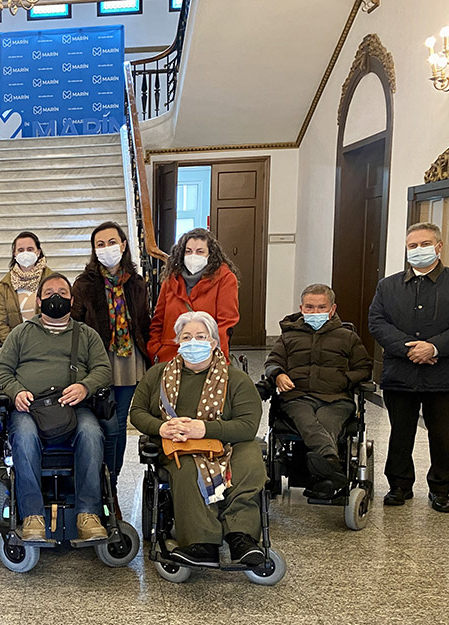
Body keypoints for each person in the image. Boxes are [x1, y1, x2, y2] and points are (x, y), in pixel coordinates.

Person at [130, 311, 266, 568]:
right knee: (189, 466)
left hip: (226, 442)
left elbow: (248, 425)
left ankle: (242, 538)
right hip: (178, 445)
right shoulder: (158, 374)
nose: (193, 342)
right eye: (187, 337)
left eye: (201, 337)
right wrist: (162, 427)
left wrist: (204, 429)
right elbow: (137, 412)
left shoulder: (236, 379)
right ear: (178, 342)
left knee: (249, 459)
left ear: (214, 342)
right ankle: (202, 543)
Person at [369, 222, 449, 513]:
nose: (418, 250)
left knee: (442, 435)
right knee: (400, 432)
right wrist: (410, 349)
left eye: (424, 244)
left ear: (439, 246)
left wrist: (433, 347)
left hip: (443, 374)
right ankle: (399, 485)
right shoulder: (388, 286)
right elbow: (377, 322)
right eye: (412, 246)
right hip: (400, 372)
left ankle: (440, 489)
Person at [0, 273, 111, 543]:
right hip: (30, 407)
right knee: (23, 436)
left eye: (62, 293)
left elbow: (103, 370)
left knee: (92, 433)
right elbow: (1, 370)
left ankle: (88, 515)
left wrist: (85, 387)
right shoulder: (21, 333)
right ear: (38, 301)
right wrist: (15, 391)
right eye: (49, 293)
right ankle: (32, 516)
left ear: (72, 300)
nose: (55, 297)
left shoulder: (86, 334)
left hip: (73, 406)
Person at [265, 283, 371, 498]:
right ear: (301, 308)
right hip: (298, 397)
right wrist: (278, 374)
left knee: (327, 422)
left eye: (321, 307)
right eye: (310, 307)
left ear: (332, 309)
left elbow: (364, 369)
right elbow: (272, 362)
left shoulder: (348, 337)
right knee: (307, 420)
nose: (315, 312)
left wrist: (344, 380)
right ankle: (331, 466)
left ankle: (325, 475)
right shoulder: (288, 337)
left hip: (336, 398)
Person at [71, 222, 150, 501]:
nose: (107, 249)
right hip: (97, 361)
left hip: (129, 362)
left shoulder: (137, 283)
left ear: (124, 245)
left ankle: (111, 487)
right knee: (103, 424)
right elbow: (76, 324)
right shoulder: (84, 284)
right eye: (100, 245)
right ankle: (96, 484)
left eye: (112, 242)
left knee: (117, 425)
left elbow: (144, 322)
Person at [147, 228, 239, 364]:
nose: (193, 256)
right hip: (169, 356)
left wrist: (216, 355)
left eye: (200, 251)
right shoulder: (170, 279)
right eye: (188, 251)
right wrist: (155, 349)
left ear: (210, 254)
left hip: (205, 356)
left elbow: (225, 323)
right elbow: (158, 320)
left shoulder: (225, 279)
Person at [0, 231, 53, 343]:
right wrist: (11, 346)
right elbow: (1, 323)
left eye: (30, 249)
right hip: (18, 345)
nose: (25, 253)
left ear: (38, 252)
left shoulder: (52, 281)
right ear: (14, 254)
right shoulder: (4, 287)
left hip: (48, 343)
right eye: (21, 250)